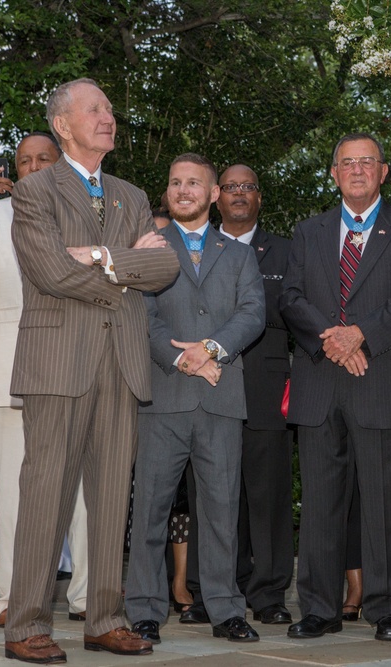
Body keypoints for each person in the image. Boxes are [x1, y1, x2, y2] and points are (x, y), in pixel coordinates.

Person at [2, 78, 180, 664]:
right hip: (59, 362)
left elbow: (167, 267)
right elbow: (51, 272)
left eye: (109, 108)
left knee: (111, 499)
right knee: (45, 495)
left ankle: (105, 618)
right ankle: (26, 624)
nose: (108, 117)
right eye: (95, 109)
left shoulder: (130, 194)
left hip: (121, 363)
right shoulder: (34, 192)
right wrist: (129, 269)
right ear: (63, 124)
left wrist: (104, 258)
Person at [281, 132, 391, 642]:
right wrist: (333, 340)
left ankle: (388, 608)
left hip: (383, 380)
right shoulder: (307, 232)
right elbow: (292, 297)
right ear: (333, 174)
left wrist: (360, 334)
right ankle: (319, 608)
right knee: (321, 504)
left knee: (387, 504)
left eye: (368, 162)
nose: (358, 169)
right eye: (348, 162)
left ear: (384, 172)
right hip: (321, 380)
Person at [124, 153, 265, 645]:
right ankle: (143, 608)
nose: (183, 190)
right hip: (163, 397)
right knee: (150, 509)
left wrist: (210, 349)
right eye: (175, 182)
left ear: (212, 194)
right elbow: (140, 314)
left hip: (221, 396)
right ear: (168, 192)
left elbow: (253, 313)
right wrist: (180, 358)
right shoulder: (147, 248)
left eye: (194, 183)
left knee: (223, 509)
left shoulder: (242, 254)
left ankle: (225, 609)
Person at [0, 131, 90, 628]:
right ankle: (13, 597)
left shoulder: (87, 207)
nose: (32, 167)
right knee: (12, 490)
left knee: (78, 487)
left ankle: (86, 596)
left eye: (43, 159)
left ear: (62, 162)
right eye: (24, 161)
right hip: (11, 365)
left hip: (75, 363)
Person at [217, 164, 295, 625]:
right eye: (231, 187)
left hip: (267, 388)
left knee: (268, 497)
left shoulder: (286, 252)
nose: (240, 194)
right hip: (208, 387)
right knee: (215, 493)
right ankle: (213, 592)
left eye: (248, 186)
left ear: (259, 198)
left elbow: (297, 312)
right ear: (216, 196)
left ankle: (268, 595)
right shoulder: (196, 247)